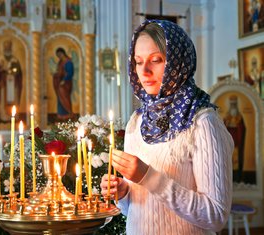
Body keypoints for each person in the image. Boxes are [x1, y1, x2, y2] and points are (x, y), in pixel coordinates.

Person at [100, 20, 234, 234]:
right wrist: (123, 193)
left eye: (156, 60)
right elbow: (133, 210)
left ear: (177, 63)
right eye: (137, 61)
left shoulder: (203, 122)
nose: (144, 71)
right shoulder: (137, 122)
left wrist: (148, 177)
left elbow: (216, 216)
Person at [0, 40, 22, 122]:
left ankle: (15, 115)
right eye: (5, 47)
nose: (7, 48)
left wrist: (14, 72)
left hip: (14, 83)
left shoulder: (15, 60)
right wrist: (1, 70)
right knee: (4, 99)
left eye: (8, 47)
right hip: (4, 84)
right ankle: (4, 116)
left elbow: (19, 72)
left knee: (14, 99)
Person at [223, 95, 246, 183]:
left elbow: (243, 129)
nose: (233, 105)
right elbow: (223, 128)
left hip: (237, 142)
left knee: (238, 160)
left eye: (234, 104)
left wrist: (238, 126)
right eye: (231, 104)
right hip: (229, 142)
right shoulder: (226, 117)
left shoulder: (240, 117)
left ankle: (238, 178)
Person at [52, 47, 74, 121]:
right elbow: (59, 72)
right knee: (60, 99)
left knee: (65, 98)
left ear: (63, 53)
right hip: (60, 83)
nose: (59, 56)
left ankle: (69, 113)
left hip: (66, 83)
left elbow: (70, 73)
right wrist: (56, 74)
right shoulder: (60, 62)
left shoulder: (68, 62)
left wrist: (64, 80)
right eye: (58, 55)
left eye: (59, 54)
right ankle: (61, 115)